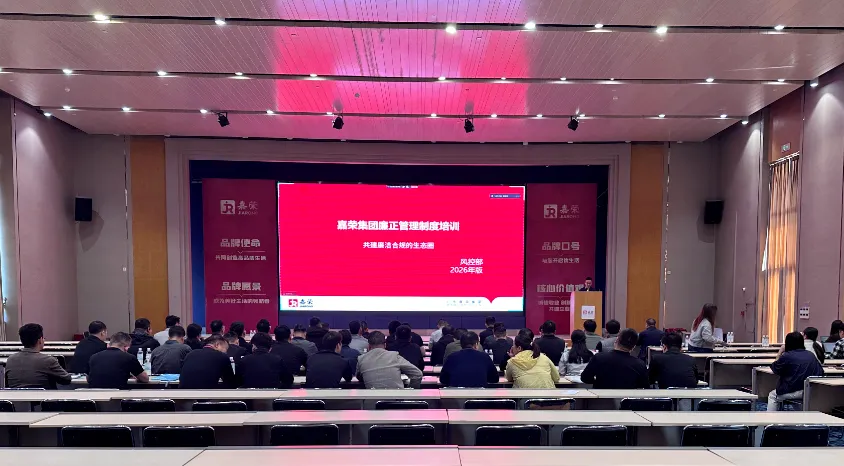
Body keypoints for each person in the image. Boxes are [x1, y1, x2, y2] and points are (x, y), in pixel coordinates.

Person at [768, 331, 824, 411]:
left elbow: (775, 368)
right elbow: (821, 372)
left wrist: (780, 352)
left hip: (792, 390)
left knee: (772, 396)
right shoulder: (810, 355)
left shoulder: (787, 356)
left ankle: (770, 417)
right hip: (809, 391)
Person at [5, 323, 71, 389]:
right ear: (40, 340)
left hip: (16, 395)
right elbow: (67, 379)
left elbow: (7, 384)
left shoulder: (10, 360)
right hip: (43, 395)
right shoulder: (48, 361)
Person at [581, 328, 649, 389]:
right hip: (626, 398)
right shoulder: (640, 364)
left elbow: (585, 378)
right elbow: (644, 385)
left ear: (616, 340)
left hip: (601, 397)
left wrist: (598, 381)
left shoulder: (599, 357)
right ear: (633, 347)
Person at [356, 331, 423, 389]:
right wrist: (411, 390)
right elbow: (418, 374)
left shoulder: (361, 359)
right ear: (385, 345)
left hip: (372, 399)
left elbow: (359, 377)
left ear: (368, 346)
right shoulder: (394, 356)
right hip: (397, 398)